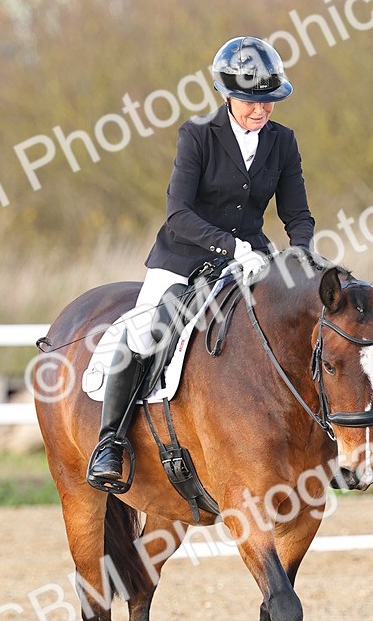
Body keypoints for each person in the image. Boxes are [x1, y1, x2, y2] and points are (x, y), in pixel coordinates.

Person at [87, 35, 316, 489]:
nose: (261, 110)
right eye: (252, 102)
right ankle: (110, 442)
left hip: (251, 259)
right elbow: (179, 213)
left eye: (268, 102)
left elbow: (297, 214)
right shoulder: (197, 135)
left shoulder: (283, 142)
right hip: (184, 255)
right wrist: (232, 248)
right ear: (228, 95)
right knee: (147, 330)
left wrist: (303, 256)